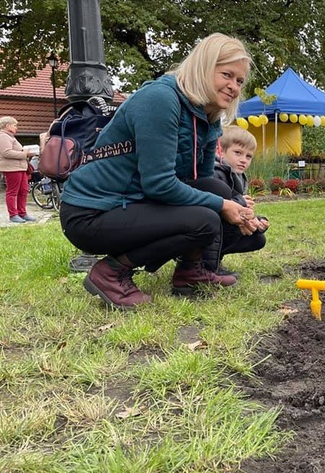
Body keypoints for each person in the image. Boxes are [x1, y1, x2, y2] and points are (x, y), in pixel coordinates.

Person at [59, 33, 258, 309]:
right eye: (227, 74)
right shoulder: (161, 99)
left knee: (220, 195)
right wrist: (222, 206)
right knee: (205, 219)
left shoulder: (208, 116)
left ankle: (191, 271)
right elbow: (160, 185)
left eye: (239, 81)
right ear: (203, 66)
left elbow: (199, 182)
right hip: (92, 212)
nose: (234, 87)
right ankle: (111, 272)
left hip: (135, 203)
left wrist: (237, 207)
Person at [213, 126, 269, 267]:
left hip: (225, 225)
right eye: (238, 153)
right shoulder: (216, 173)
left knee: (258, 238)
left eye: (248, 156)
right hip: (209, 225)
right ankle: (205, 263)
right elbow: (214, 205)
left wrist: (257, 220)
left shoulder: (240, 176)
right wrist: (240, 203)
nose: (244, 160)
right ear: (220, 151)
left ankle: (216, 258)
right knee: (232, 228)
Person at [0, 116, 37, 223]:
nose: (16, 128)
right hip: (12, 168)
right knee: (12, 192)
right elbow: (6, 152)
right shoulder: (3, 136)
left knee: (23, 190)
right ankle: (13, 214)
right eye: (15, 125)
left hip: (21, 167)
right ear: (7, 125)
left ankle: (22, 213)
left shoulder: (10, 136)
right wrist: (25, 153)